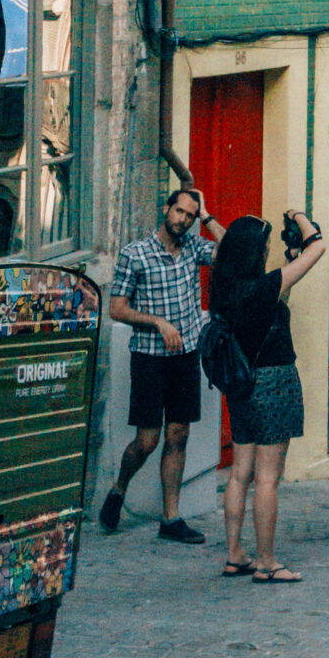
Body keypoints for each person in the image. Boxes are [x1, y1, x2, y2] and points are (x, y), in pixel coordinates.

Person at [101, 184, 224, 542]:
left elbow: (233, 252)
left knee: (179, 434)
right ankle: (120, 488)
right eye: (179, 211)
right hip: (150, 358)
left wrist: (207, 216)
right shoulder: (135, 254)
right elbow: (117, 308)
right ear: (166, 209)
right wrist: (157, 322)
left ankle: (171, 520)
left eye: (189, 215)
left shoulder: (194, 248)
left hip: (185, 356)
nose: (183, 220)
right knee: (148, 440)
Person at [211, 212, 326, 585]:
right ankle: (266, 561)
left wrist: (212, 220)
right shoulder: (264, 287)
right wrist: (300, 218)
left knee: (240, 472)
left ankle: (234, 555)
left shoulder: (225, 286)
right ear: (256, 252)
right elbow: (319, 246)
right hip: (274, 382)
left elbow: (231, 242)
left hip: (241, 384)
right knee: (268, 478)